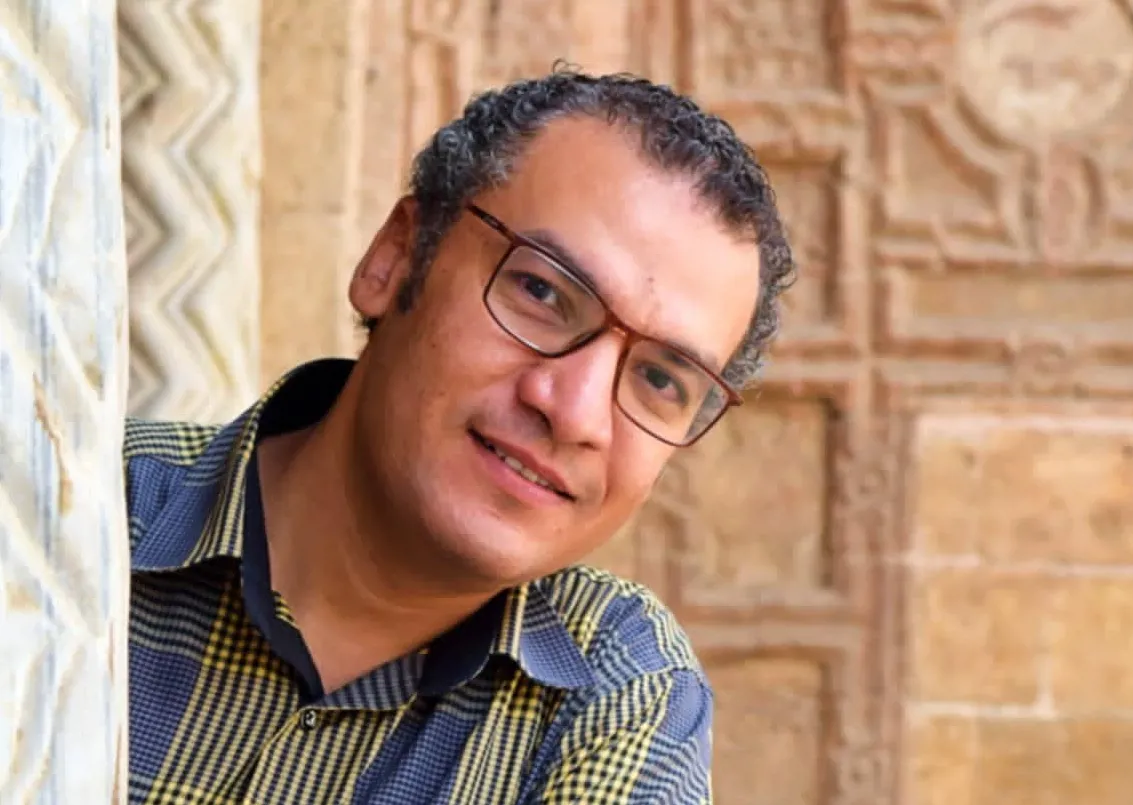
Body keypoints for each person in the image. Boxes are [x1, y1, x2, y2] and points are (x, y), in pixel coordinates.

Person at [123, 66, 794, 804]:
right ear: (395, 258)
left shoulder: (617, 693)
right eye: (542, 292)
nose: (575, 414)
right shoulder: (76, 510)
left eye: (661, 380)